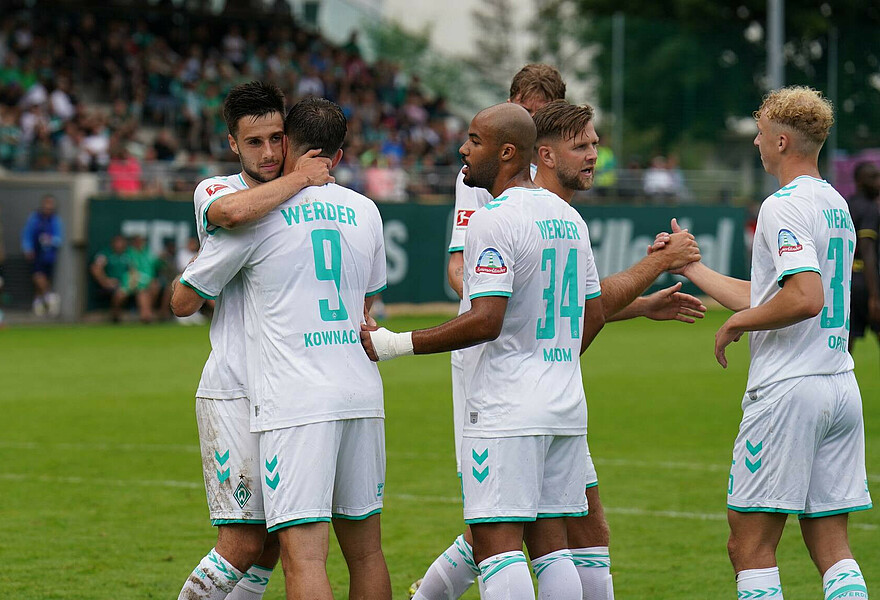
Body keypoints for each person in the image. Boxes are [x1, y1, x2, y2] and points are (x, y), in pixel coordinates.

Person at [363, 102, 605, 600]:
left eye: (474, 140)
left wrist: (393, 344)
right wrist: (550, 359)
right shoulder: (570, 219)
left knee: (497, 545)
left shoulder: (493, 220)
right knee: (552, 546)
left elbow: (485, 319)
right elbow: (594, 314)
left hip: (506, 405)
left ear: (508, 152)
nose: (463, 149)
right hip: (564, 403)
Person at [174, 97, 389, 600]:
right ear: (232, 143)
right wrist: (299, 179)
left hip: (290, 397)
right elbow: (366, 301)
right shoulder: (230, 195)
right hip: (251, 389)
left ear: (291, 140)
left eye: (277, 140)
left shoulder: (261, 221)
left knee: (290, 550)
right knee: (257, 543)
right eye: (255, 141)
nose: (269, 151)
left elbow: (182, 299)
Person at [675, 86, 871, 600]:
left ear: (782, 141)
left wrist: (737, 326)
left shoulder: (781, 206)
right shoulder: (835, 203)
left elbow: (804, 298)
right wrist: (693, 269)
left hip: (789, 391)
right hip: (838, 386)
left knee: (749, 545)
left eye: (760, 136)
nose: (757, 146)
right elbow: (768, 295)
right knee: (832, 545)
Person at [528, 100, 703, 600]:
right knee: (510, 537)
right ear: (543, 153)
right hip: (522, 397)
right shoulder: (538, 214)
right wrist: (659, 265)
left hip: (555, 395)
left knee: (584, 531)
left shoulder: (564, 216)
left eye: (595, 145)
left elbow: (574, 307)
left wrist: (643, 303)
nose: (592, 155)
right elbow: (577, 317)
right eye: (580, 146)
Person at [847, 161, 880, 356]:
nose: (878, 183)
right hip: (867, 284)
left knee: (845, 348)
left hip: (847, 284)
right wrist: (875, 296)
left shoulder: (846, 206)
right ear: (859, 181)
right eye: (873, 178)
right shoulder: (869, 209)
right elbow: (868, 251)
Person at [21, 194, 62, 316]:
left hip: (49, 255)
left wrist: (50, 240)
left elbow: (59, 239)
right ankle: (50, 296)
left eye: (51, 204)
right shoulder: (34, 218)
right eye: (46, 204)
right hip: (36, 254)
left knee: (44, 279)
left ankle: (39, 302)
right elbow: (26, 234)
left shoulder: (56, 220)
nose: (48, 207)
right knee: (37, 276)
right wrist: (27, 248)